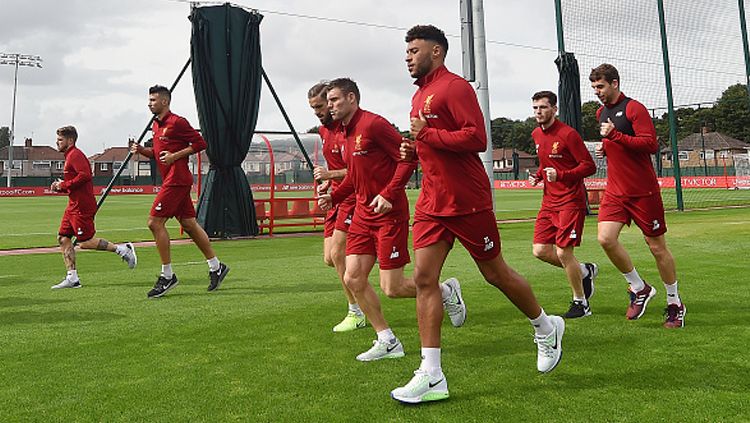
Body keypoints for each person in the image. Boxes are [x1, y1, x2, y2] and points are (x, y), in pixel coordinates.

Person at [390, 25, 565, 404]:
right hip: (432, 204)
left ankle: (545, 327)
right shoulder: (419, 95)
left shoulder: (455, 87)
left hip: (467, 201)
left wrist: (428, 136)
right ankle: (432, 374)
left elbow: (476, 138)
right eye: (406, 51)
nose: (407, 57)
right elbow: (431, 144)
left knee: (494, 274)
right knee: (423, 279)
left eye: (414, 50)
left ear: (436, 52)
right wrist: (414, 153)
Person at [318, 77, 464, 362]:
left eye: (334, 100)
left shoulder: (374, 125)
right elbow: (355, 177)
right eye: (329, 101)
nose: (330, 106)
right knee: (353, 276)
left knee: (392, 288)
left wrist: (388, 194)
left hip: (388, 213)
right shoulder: (344, 134)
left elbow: (408, 159)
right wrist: (334, 198)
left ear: (351, 98)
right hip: (361, 214)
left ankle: (446, 291)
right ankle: (387, 340)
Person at [590, 63, 685, 328]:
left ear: (615, 83)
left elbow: (650, 144)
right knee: (605, 239)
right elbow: (617, 145)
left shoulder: (634, 108)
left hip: (643, 191)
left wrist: (616, 136)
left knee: (657, 247)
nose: (597, 92)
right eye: (594, 87)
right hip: (616, 191)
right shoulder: (600, 112)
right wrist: (605, 148)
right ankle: (639, 287)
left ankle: (675, 303)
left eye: (601, 86)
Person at [131, 85, 229, 298]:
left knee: (154, 222)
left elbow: (200, 143)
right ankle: (216, 266)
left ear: (165, 101)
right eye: (149, 100)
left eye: (153, 100)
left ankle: (167, 276)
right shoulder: (156, 126)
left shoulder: (177, 122)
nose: (150, 103)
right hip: (173, 180)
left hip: (177, 179)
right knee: (189, 224)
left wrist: (176, 156)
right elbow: (158, 155)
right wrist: (141, 151)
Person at [528, 90, 599, 318]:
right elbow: (545, 163)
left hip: (570, 201)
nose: (539, 112)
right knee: (540, 251)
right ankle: (585, 271)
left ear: (554, 109)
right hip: (549, 202)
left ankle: (581, 303)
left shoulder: (568, 134)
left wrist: (562, 175)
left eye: (543, 107)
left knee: (563, 253)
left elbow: (589, 166)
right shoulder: (536, 135)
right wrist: (538, 176)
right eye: (536, 108)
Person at [308, 81, 365, 332]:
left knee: (338, 255)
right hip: (336, 197)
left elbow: (357, 169)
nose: (319, 111)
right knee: (330, 259)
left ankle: (356, 310)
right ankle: (360, 294)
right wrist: (326, 185)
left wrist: (331, 175)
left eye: (321, 105)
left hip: (352, 197)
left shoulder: (347, 130)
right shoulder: (323, 132)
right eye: (314, 108)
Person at [50, 125, 138, 289]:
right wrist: (61, 187)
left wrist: (63, 185)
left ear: (70, 140)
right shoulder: (69, 156)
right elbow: (75, 183)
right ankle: (72, 278)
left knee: (84, 242)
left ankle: (123, 249)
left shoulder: (75, 155)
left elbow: (85, 176)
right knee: (63, 238)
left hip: (82, 206)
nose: (57, 142)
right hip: (73, 206)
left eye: (60, 139)